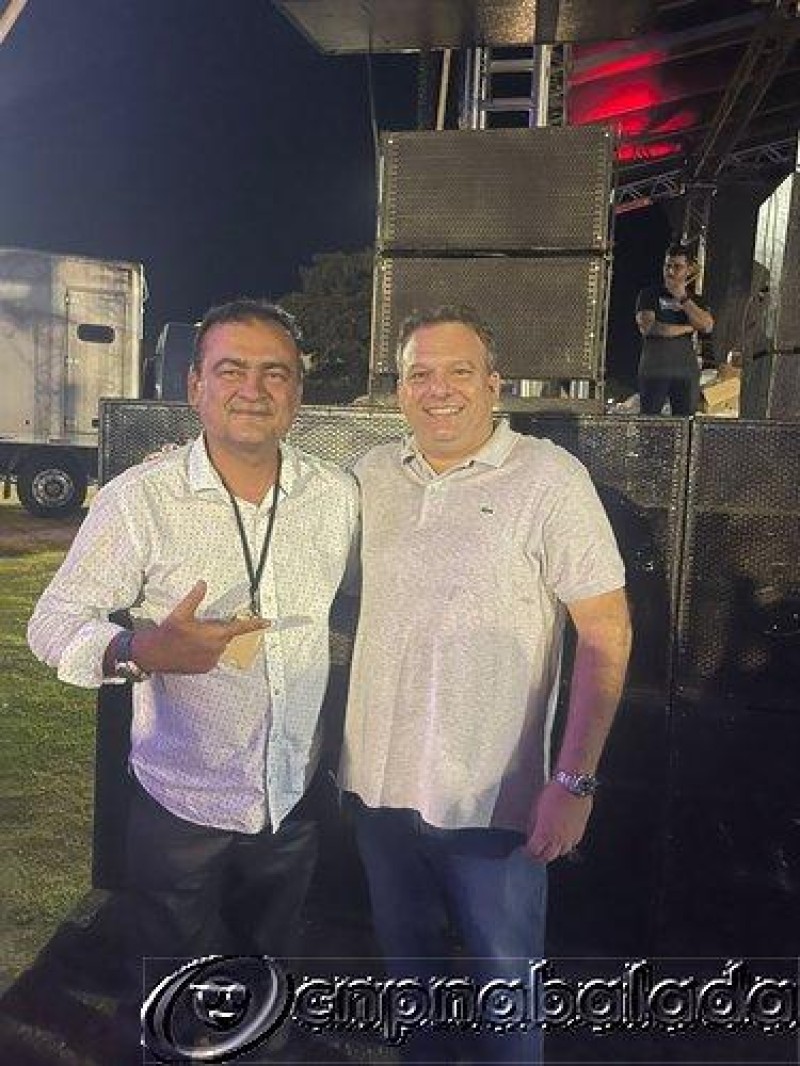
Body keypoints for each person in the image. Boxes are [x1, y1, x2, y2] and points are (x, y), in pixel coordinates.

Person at [27, 299, 358, 1037]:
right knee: (174, 993)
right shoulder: (141, 500)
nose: (254, 389)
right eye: (230, 370)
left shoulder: (336, 496)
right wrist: (140, 650)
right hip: (182, 802)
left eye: (275, 373)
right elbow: (50, 623)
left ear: (298, 391)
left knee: (266, 976)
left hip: (291, 797)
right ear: (194, 386)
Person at [339, 306, 632, 1064]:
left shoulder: (549, 478)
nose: (439, 389)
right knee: (410, 986)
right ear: (399, 391)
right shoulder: (372, 475)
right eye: (420, 374)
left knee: (507, 993)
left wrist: (573, 782)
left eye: (459, 372)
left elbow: (606, 631)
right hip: (378, 790)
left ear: (494, 385)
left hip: (495, 803)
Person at [635, 241, 715, 415]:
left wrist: (683, 297)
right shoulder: (649, 294)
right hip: (655, 369)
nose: (670, 272)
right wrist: (688, 327)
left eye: (677, 267)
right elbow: (650, 327)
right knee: (650, 421)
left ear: (689, 270)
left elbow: (707, 326)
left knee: (685, 421)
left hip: (685, 370)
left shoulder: (696, 300)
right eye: (667, 266)